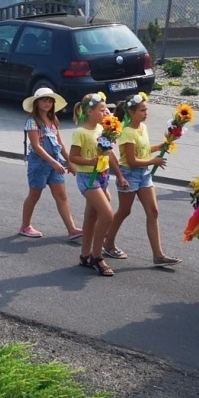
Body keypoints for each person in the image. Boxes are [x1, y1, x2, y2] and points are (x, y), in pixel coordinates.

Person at [105, 93, 182, 267]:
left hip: (144, 174)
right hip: (129, 174)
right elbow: (131, 161)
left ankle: (158, 255)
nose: (146, 113)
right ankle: (108, 243)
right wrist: (153, 161)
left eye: (146, 110)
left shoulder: (143, 127)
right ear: (131, 112)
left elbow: (144, 151)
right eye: (142, 110)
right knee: (124, 211)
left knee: (153, 212)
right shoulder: (127, 132)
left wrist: (160, 147)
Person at [67, 93, 126, 277]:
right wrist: (90, 161)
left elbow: (110, 154)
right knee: (107, 215)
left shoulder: (102, 128)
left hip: (102, 175)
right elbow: (73, 157)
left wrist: (119, 175)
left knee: (91, 216)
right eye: (101, 110)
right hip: (87, 177)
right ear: (89, 112)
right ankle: (96, 256)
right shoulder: (81, 132)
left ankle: (85, 255)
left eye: (106, 109)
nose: (106, 112)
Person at [19, 87, 81, 241]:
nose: (47, 104)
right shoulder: (32, 121)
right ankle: (25, 226)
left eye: (50, 101)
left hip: (54, 163)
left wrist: (69, 161)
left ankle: (72, 229)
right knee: (34, 195)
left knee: (62, 195)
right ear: (36, 103)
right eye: (44, 101)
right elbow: (36, 147)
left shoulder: (53, 120)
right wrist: (54, 163)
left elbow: (59, 143)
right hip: (39, 163)